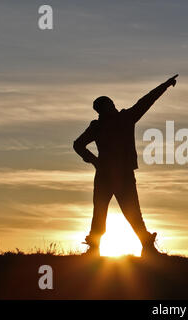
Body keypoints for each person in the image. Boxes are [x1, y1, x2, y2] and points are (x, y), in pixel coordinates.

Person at [73, 74, 178, 256]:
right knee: (110, 213)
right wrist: (95, 161)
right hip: (113, 175)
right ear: (104, 109)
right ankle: (98, 248)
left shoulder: (117, 120)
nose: (110, 108)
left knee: (127, 213)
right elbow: (78, 144)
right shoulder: (113, 122)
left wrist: (165, 85)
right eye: (107, 107)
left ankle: (145, 247)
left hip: (116, 175)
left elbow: (146, 100)